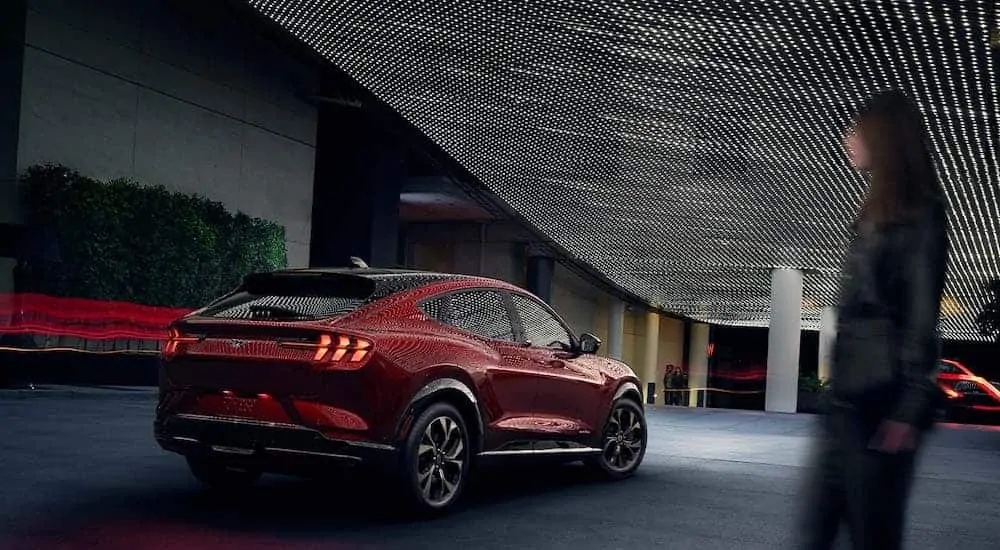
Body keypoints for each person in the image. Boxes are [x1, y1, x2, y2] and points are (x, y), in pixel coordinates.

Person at [797, 90, 950, 549]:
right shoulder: (873, 211)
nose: (847, 137)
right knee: (816, 532)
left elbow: (922, 318)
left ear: (883, 137)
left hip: (881, 408)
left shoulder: (921, 214)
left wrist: (907, 411)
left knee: (873, 537)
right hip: (843, 404)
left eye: (856, 128)